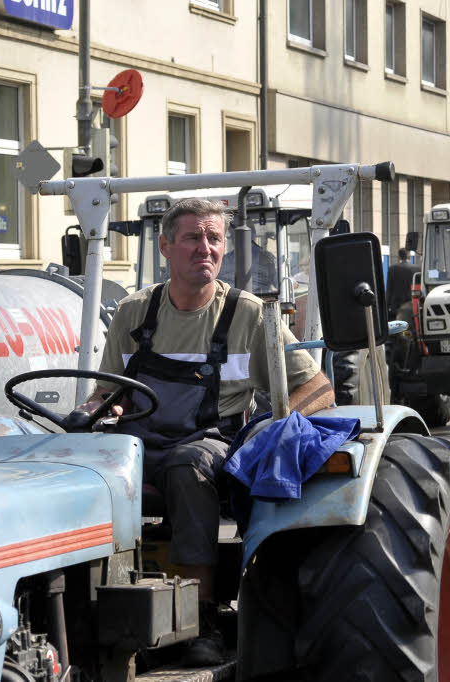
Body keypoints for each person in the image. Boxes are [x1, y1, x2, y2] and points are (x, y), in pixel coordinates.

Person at [71, 197, 334, 666]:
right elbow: (106, 394)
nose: (205, 248)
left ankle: (202, 615)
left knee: (187, 467)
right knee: (77, 468)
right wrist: (92, 412)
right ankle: (81, 604)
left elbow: (317, 389)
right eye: (193, 237)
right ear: (166, 246)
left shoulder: (248, 315)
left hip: (212, 445)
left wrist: (272, 430)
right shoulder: (134, 314)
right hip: (138, 444)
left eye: (214, 238)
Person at [385, 248, 419, 319]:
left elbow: (389, 289)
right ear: (409, 256)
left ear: (399, 256)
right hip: (412, 304)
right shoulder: (417, 269)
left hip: (396, 305)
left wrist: (387, 305)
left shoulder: (392, 269)